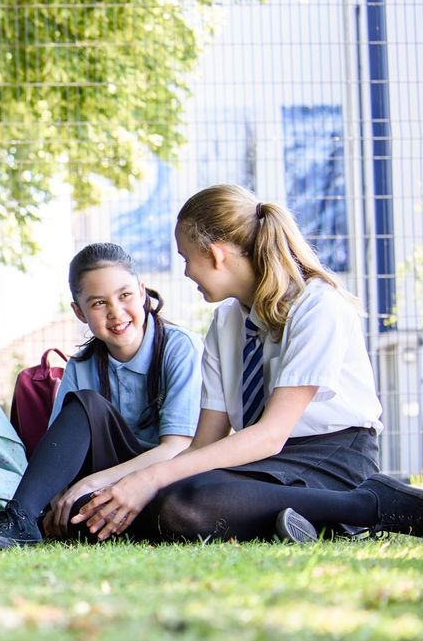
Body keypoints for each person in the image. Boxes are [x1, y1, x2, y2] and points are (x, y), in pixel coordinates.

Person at [69, 183, 423, 543]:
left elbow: (270, 435)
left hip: (333, 457)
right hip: (268, 462)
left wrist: (152, 477)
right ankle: (305, 522)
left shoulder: (318, 307)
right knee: (163, 503)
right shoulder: (226, 323)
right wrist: (128, 485)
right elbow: (204, 444)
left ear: (216, 255)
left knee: (184, 504)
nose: (187, 272)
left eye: (186, 257)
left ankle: (369, 505)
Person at [0, 243, 203, 549]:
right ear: (79, 312)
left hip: (163, 477)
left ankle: (118, 519)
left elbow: (177, 448)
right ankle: (20, 518)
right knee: (84, 407)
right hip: (104, 481)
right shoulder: (81, 365)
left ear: (143, 293)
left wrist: (91, 483)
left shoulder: (181, 348)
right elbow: (61, 454)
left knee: (179, 508)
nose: (116, 312)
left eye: (125, 295)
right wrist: (61, 497)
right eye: (99, 303)